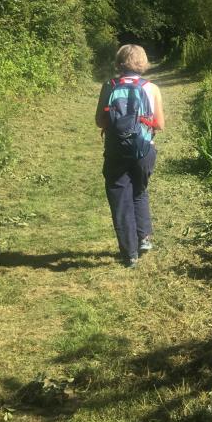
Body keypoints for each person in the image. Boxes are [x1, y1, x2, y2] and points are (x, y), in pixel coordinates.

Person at [95, 45, 165, 268]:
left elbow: (99, 121)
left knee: (120, 198)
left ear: (119, 62)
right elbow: (159, 124)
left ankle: (130, 254)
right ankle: (144, 238)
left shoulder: (109, 86)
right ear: (143, 62)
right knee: (139, 189)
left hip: (116, 151)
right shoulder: (151, 88)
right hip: (144, 150)